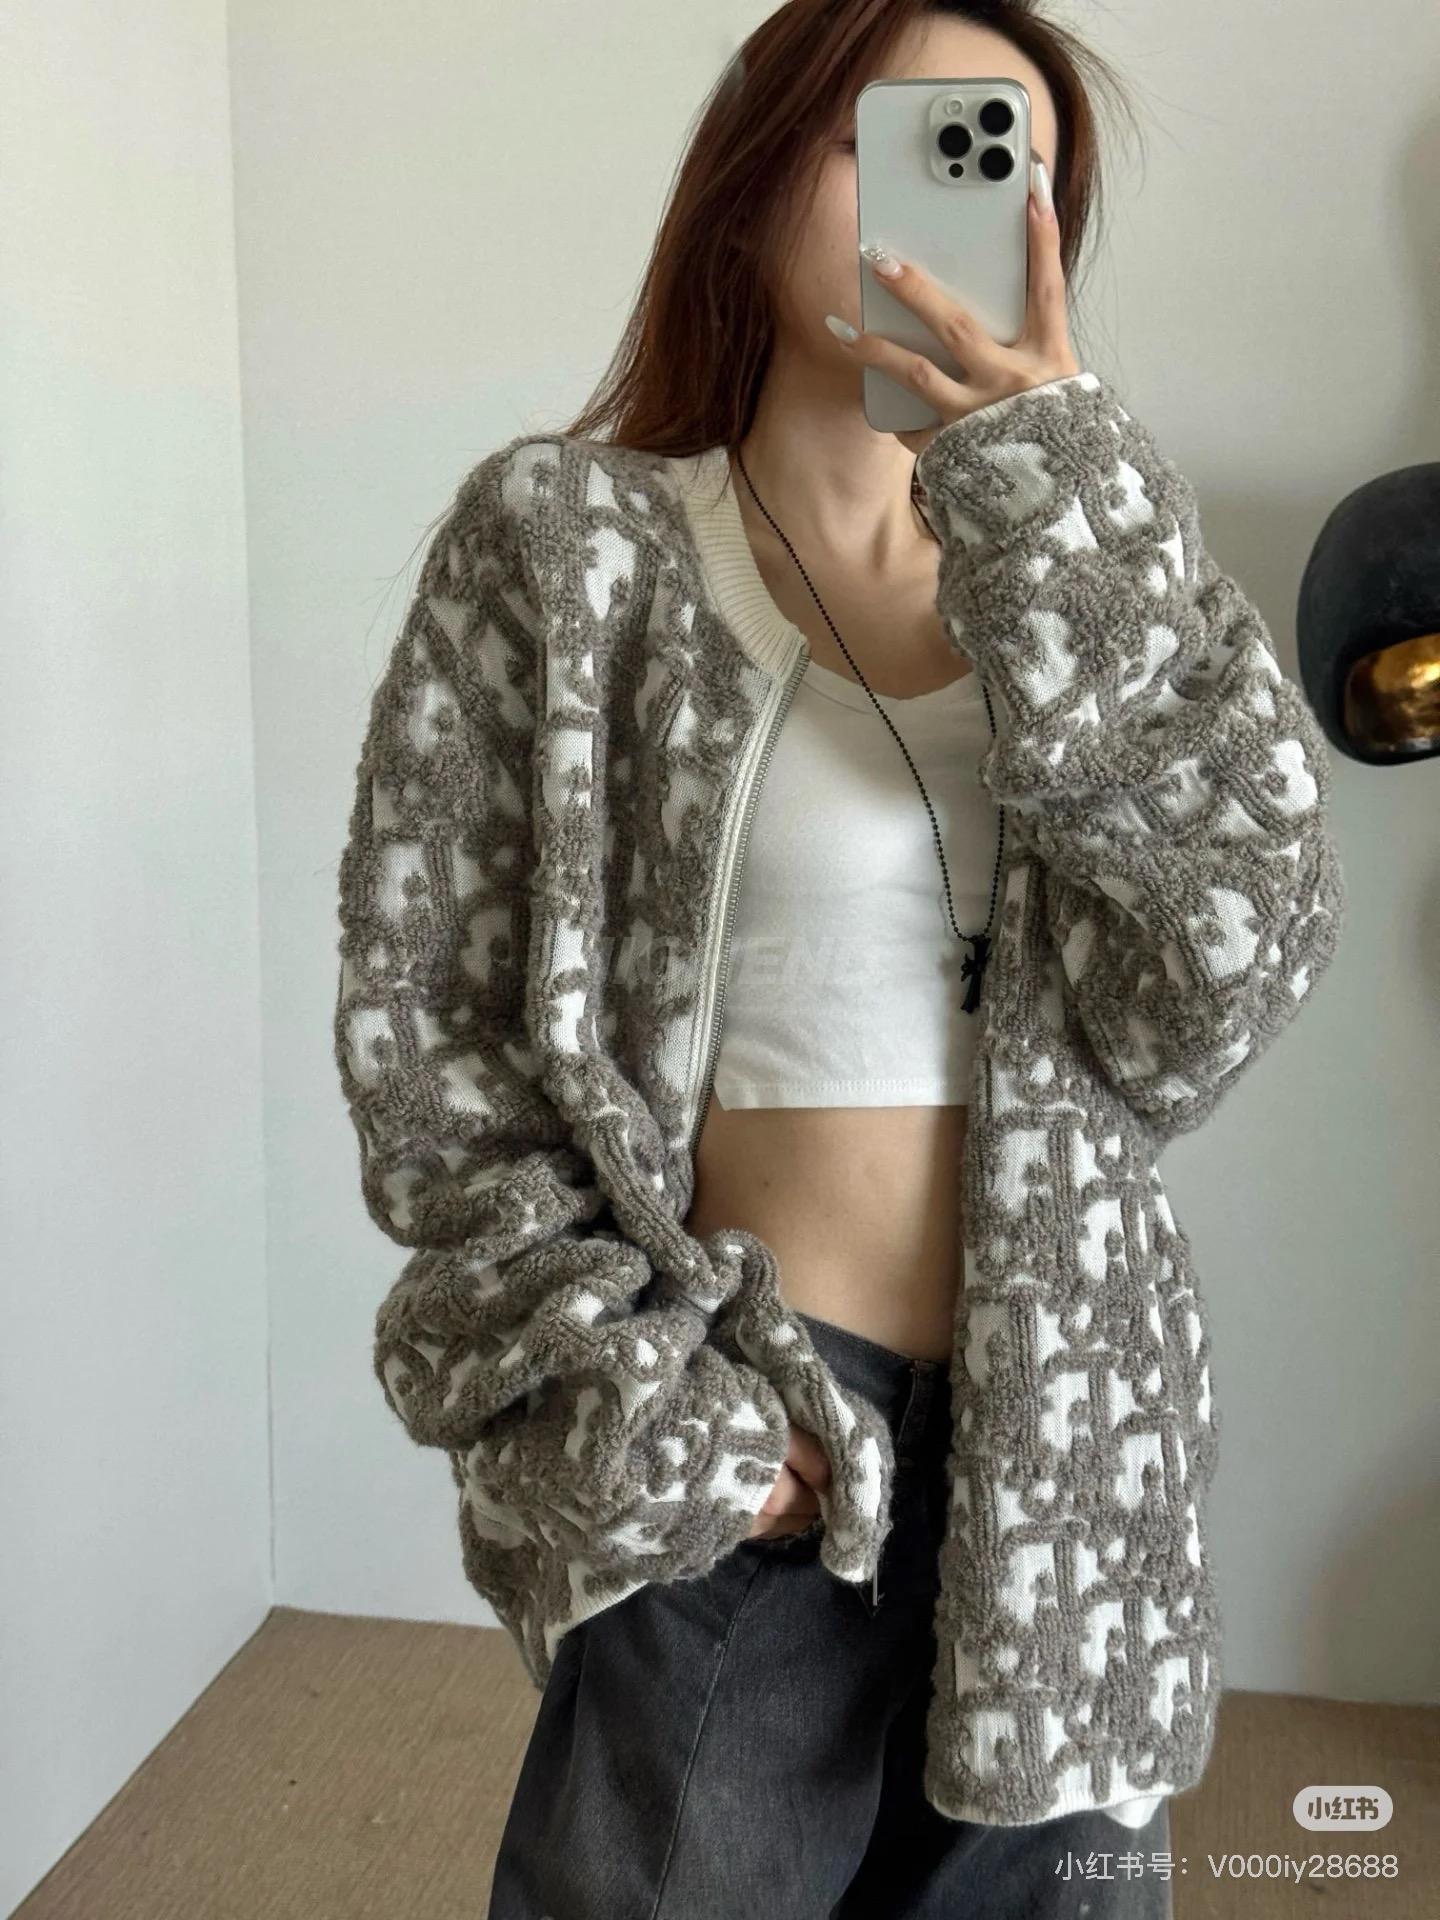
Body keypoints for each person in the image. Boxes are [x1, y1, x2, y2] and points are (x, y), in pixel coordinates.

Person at [331, 3, 1346, 1915]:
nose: (949, 191)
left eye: (1005, 158)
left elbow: (1230, 967)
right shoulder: (572, 549)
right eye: (899, 132)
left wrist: (1058, 498)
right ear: (753, 170)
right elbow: (438, 1041)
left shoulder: (1098, 577)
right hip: (754, 1442)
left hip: (1070, 1454)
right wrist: (652, 1413)